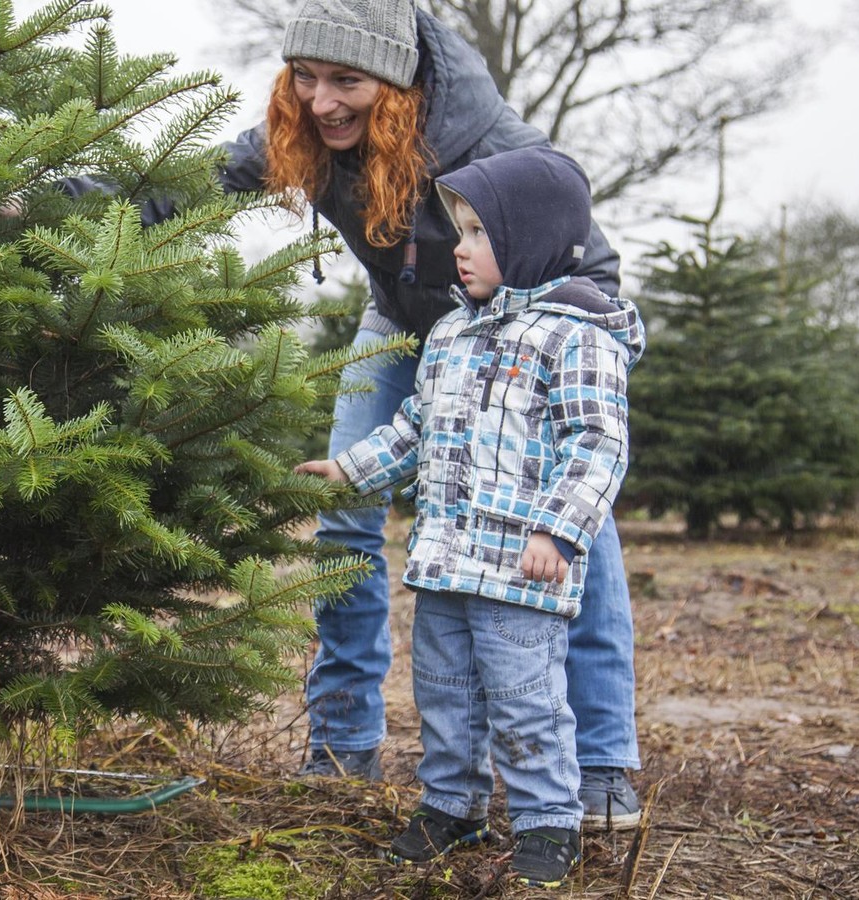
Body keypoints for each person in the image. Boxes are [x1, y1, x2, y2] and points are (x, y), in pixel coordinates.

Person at [203, 0, 645, 827]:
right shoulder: (306, 130)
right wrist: (50, 203)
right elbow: (182, 183)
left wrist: (550, 364)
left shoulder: (499, 148)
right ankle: (342, 743)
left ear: (398, 83)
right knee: (343, 512)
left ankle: (603, 762)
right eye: (305, 77)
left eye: (346, 80)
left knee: (577, 530)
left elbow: (593, 265)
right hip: (404, 326)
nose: (321, 101)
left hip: (521, 330)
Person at [295, 145, 644, 886]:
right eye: (460, 231)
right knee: (444, 693)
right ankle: (452, 806)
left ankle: (549, 819)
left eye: (480, 233)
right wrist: (351, 470)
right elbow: (414, 427)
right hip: (445, 561)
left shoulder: (577, 339)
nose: (460, 248)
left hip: (520, 569)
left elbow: (598, 445)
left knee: (525, 699)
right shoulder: (453, 334)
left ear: (530, 239)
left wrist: (557, 531)